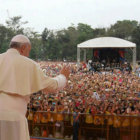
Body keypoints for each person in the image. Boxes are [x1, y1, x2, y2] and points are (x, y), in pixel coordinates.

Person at [0, 34, 70, 140]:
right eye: (28, 51)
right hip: (15, 118)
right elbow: (50, 86)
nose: (28, 55)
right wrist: (62, 77)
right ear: (23, 48)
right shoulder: (29, 64)